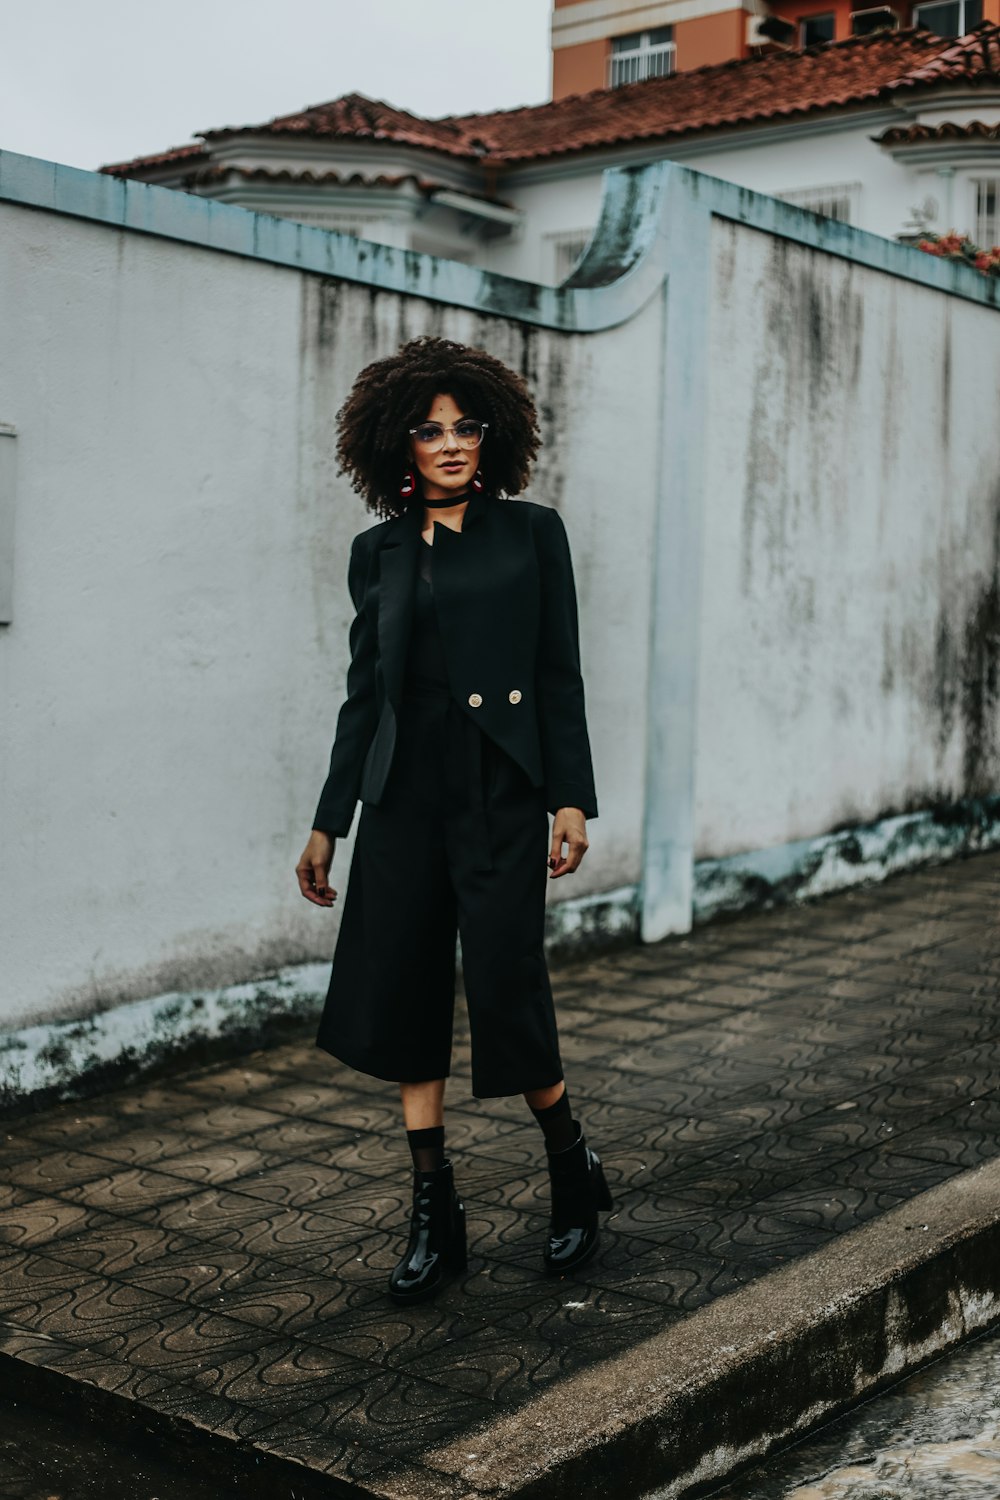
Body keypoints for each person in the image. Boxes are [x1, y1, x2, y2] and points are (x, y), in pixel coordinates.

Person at [295, 334, 612, 1305]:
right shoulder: (376, 552)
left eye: (464, 426)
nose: (449, 443)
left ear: (491, 435)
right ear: (398, 443)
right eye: (429, 430)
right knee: (403, 993)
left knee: (509, 982)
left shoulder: (530, 534)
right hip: (402, 798)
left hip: (501, 791)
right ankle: (436, 1210)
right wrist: (328, 822)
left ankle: (572, 1169)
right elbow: (365, 697)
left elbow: (558, 672)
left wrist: (571, 796)